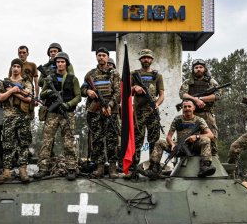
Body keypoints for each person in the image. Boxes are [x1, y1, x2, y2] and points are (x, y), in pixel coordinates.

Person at [35, 52, 81, 180]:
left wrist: (68, 104)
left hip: (68, 113)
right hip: (53, 114)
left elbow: (78, 96)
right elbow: (42, 95)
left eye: (62, 62)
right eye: (58, 62)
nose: (60, 64)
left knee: (68, 142)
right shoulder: (49, 78)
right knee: (47, 141)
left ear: (66, 63)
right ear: (55, 64)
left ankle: (71, 168)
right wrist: (49, 91)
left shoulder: (73, 79)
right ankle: (43, 168)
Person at [147, 99, 216, 178]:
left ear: (194, 108)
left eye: (189, 106)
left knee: (206, 140)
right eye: (185, 107)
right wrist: (172, 144)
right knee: (159, 142)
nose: (187, 108)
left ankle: (205, 166)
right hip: (179, 147)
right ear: (182, 108)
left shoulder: (199, 120)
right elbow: (169, 136)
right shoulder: (177, 119)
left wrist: (196, 137)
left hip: (194, 146)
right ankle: (154, 168)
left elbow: (211, 135)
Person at [0, 59, 34, 184]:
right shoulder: (4, 83)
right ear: (11, 68)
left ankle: (23, 171)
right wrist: (11, 90)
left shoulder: (26, 82)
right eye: (14, 66)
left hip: (23, 117)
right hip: (9, 117)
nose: (16, 68)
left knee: (23, 144)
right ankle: (6, 172)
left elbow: (29, 98)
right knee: (7, 145)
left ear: (21, 68)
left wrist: (16, 93)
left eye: (18, 66)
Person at [81, 48, 120, 178]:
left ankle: (113, 168)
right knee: (97, 139)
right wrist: (88, 92)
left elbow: (118, 92)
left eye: (104, 55)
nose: (101, 57)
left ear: (108, 57)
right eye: (99, 55)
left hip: (110, 111)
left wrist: (109, 105)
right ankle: (100, 167)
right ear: (96, 57)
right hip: (95, 111)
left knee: (112, 139)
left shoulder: (114, 73)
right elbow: (82, 89)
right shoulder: (91, 74)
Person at [127, 48, 164, 177]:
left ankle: (153, 168)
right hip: (139, 112)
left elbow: (162, 95)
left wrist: (157, 105)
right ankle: (133, 168)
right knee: (137, 141)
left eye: (148, 57)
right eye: (143, 58)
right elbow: (125, 91)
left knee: (154, 141)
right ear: (140, 60)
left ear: (152, 60)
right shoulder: (134, 74)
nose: (146, 59)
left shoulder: (157, 76)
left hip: (152, 112)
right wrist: (134, 87)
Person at [179, 59, 223, 155]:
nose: (198, 69)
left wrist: (201, 98)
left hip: (206, 113)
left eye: (200, 67)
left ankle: (212, 157)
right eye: (196, 67)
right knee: (189, 135)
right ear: (193, 69)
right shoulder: (188, 82)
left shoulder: (211, 81)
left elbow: (217, 95)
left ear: (204, 69)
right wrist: (195, 100)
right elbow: (182, 94)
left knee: (212, 134)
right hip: (192, 115)